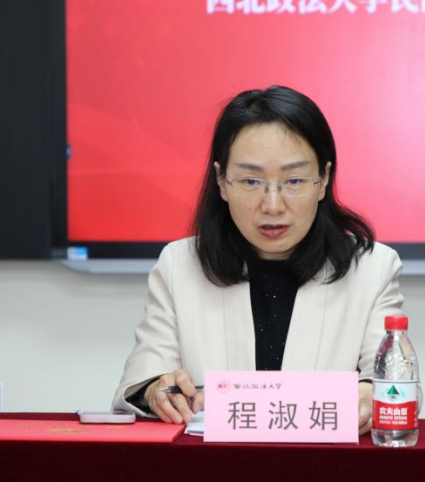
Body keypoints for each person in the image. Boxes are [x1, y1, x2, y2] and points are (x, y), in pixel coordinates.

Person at [112, 86, 405, 435]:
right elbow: (144, 381)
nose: (272, 205)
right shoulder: (179, 266)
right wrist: (157, 391)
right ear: (222, 181)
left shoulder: (372, 268)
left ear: (323, 179)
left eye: (293, 180)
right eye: (251, 181)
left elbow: (394, 384)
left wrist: (371, 395)